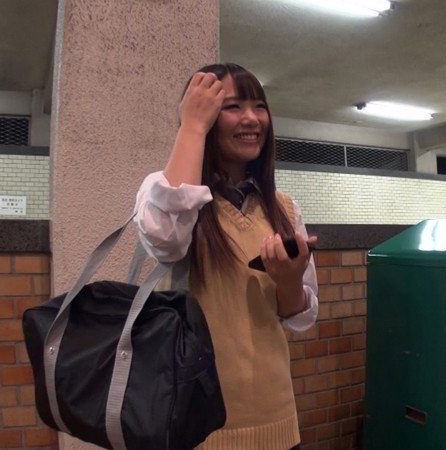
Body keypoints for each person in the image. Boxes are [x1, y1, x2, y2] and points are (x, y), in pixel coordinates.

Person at [133, 62, 319, 450]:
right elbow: (166, 239)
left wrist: (288, 280)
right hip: (195, 428)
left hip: (276, 419)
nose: (251, 118)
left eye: (259, 106)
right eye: (233, 107)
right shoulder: (163, 191)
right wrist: (192, 127)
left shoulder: (283, 208)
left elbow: (299, 318)